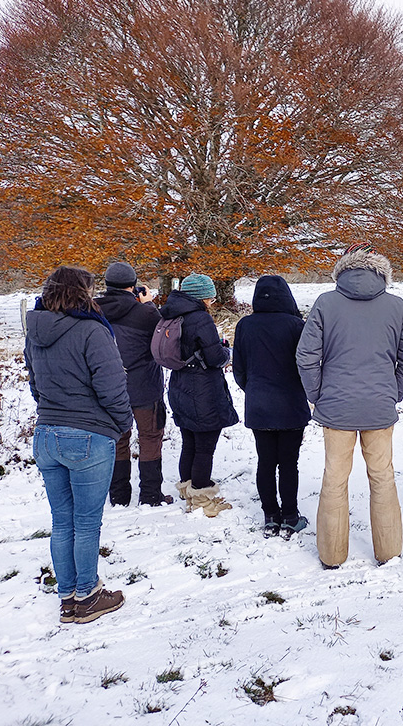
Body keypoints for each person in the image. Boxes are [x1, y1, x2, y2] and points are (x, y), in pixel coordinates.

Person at [296, 243, 403, 568]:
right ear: (380, 269)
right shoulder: (396, 306)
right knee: (382, 477)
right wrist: (393, 392)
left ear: (343, 268)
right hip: (379, 407)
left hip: (336, 408)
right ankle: (389, 552)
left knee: (334, 479)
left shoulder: (325, 303)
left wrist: (317, 395)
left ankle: (332, 556)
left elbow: (306, 357)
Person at [25, 266, 132, 624]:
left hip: (47, 434)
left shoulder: (35, 330)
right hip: (86, 434)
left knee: (62, 521)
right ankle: (87, 596)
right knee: (86, 523)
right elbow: (112, 385)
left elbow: (34, 381)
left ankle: (68, 597)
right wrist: (122, 423)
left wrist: (49, 410)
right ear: (82, 292)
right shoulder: (91, 330)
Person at [233, 276, 312, 539]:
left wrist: (253, 389)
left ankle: (270, 516)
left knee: (265, 462)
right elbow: (306, 365)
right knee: (289, 463)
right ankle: (290, 516)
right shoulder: (296, 325)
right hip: (290, 404)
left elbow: (239, 369)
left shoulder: (245, 325)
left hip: (259, 404)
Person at [160, 273, 238, 517]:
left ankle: (187, 490)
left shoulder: (172, 313)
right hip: (202, 389)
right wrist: (226, 353)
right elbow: (215, 358)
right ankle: (202, 500)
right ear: (202, 297)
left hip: (180, 384)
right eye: (211, 298)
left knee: (189, 441)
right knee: (205, 446)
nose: (211, 302)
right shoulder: (200, 318)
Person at [96, 261, 172, 507]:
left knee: (118, 439)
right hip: (145, 385)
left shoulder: (93, 309)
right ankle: (151, 495)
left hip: (109, 386)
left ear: (107, 284)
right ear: (133, 285)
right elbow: (164, 337)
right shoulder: (145, 312)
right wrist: (149, 304)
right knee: (150, 437)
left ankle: (119, 496)